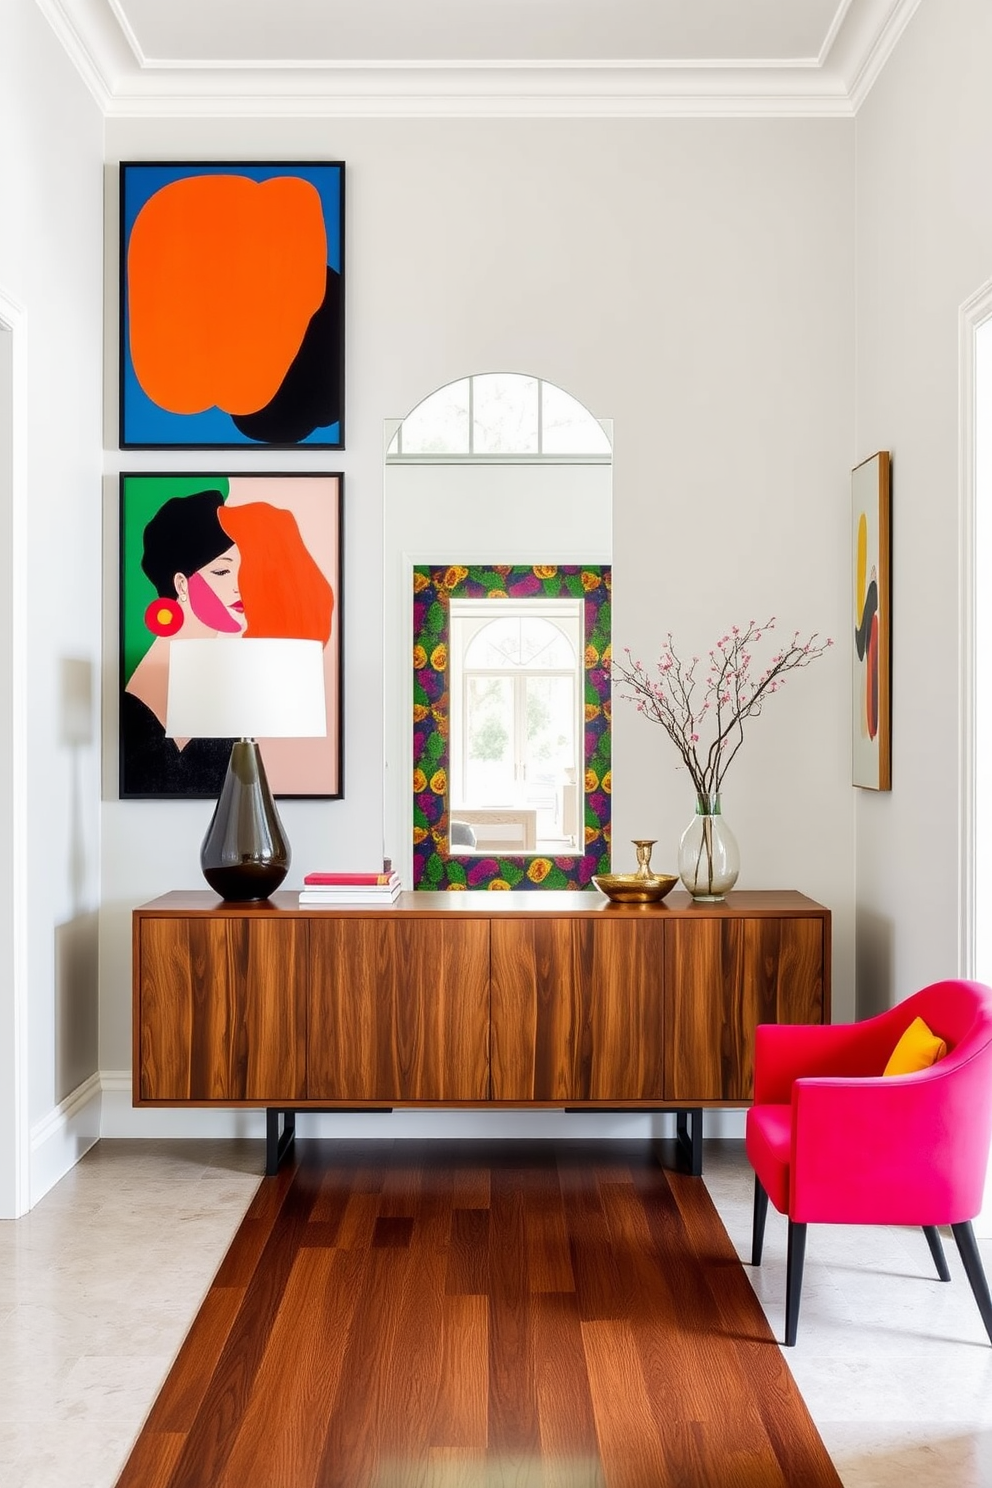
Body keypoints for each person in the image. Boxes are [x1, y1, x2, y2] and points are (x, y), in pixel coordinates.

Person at [121, 489, 334, 797]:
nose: (240, 585)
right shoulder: (138, 707)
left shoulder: (228, 687)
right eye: (221, 570)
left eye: (242, 569)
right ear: (181, 583)